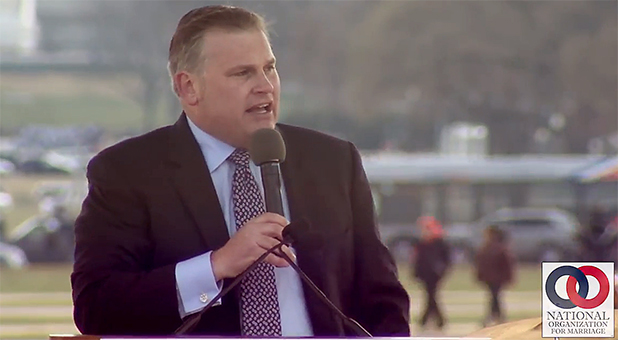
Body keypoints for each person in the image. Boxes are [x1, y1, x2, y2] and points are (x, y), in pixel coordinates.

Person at [71, 5, 410, 337]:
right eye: (243, 73)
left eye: (270, 68)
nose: (265, 86)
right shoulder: (127, 172)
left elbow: (383, 300)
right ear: (189, 88)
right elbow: (96, 308)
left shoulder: (334, 161)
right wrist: (216, 265)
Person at [412, 216, 451, 332]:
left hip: (435, 274)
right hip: (425, 273)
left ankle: (427, 320)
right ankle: (436, 321)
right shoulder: (421, 242)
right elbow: (417, 260)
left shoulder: (438, 242)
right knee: (431, 296)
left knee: (431, 295)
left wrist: (442, 270)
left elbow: (446, 259)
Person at [475, 225, 515, 327]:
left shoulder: (498, 249)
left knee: (494, 297)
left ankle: (494, 317)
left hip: (497, 278)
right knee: (494, 297)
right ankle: (497, 317)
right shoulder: (487, 248)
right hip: (489, 277)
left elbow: (506, 265)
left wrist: (508, 277)